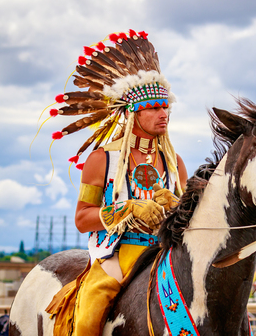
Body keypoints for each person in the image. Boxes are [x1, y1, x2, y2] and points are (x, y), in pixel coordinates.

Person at [45, 30, 188, 336]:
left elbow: (189, 223)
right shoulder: (102, 160)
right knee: (89, 314)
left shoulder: (175, 164)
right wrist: (126, 209)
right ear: (132, 113)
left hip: (166, 256)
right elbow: (83, 219)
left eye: (166, 107)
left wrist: (177, 207)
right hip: (116, 255)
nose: (163, 114)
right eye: (153, 108)